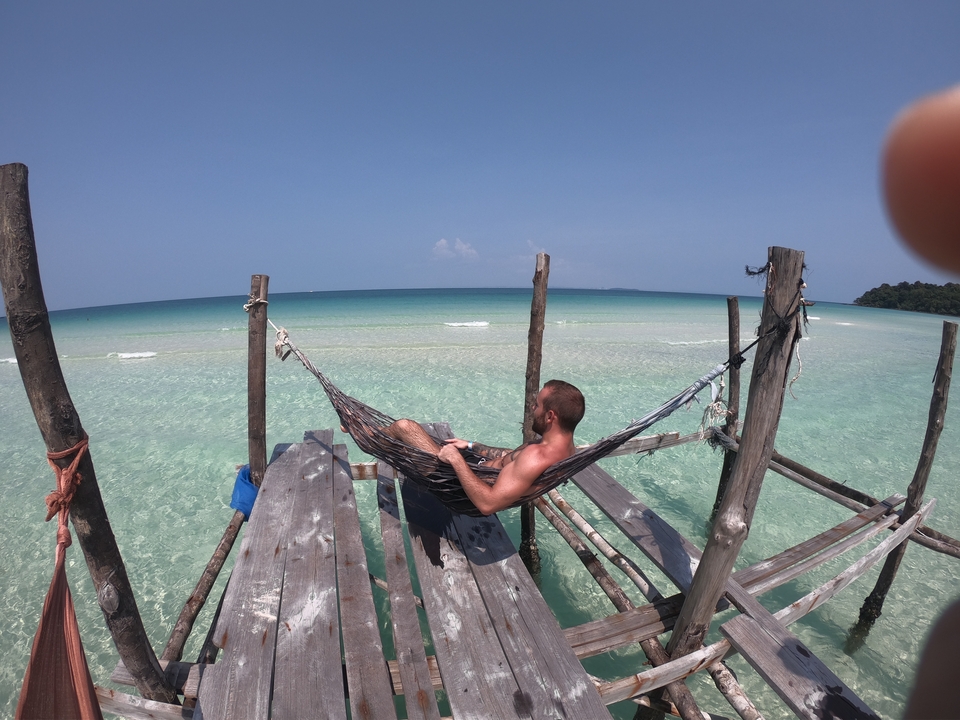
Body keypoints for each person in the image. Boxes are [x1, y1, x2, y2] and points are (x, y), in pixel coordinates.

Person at [382, 379, 584, 515]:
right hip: (476, 469)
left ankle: (367, 432)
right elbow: (509, 456)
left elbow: (488, 505)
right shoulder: (563, 449)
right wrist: (470, 445)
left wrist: (456, 460)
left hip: (458, 489)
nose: (532, 409)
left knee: (405, 428)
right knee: (416, 445)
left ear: (550, 416)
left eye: (537, 405)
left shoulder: (536, 457)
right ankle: (376, 433)